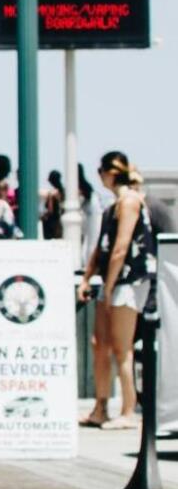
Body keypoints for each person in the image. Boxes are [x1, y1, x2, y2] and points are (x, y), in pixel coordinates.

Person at [81, 151, 156, 430]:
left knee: (122, 347)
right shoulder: (112, 206)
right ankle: (101, 406)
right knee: (100, 343)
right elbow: (102, 247)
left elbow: (121, 247)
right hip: (112, 281)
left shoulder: (130, 202)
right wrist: (90, 279)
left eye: (101, 171)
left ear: (112, 172)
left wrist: (109, 285)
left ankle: (127, 409)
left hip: (127, 280)